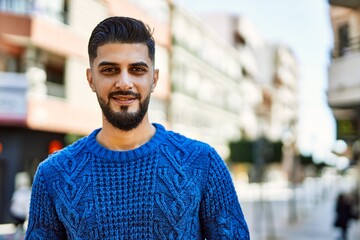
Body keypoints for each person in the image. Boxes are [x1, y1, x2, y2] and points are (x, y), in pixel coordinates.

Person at [25, 16, 250, 239]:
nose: (124, 82)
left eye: (137, 70)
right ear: (90, 78)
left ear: (154, 79)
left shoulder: (203, 162)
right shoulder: (52, 174)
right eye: (110, 70)